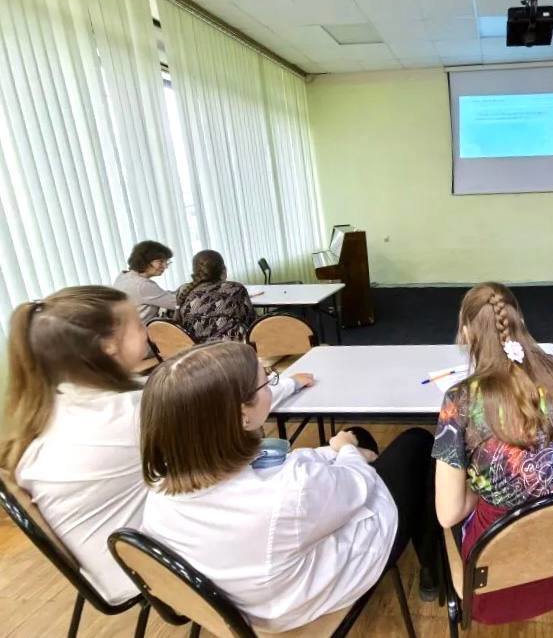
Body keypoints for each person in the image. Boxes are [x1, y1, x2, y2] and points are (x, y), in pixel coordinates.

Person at [0, 286, 312, 605]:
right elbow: (235, 408)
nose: (147, 330)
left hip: (105, 560)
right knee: (285, 495)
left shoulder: (55, 403)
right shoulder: (128, 415)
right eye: (138, 324)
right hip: (146, 568)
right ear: (108, 345)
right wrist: (288, 383)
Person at [140, 341, 438, 633]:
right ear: (242, 414)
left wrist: (333, 451)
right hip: (296, 606)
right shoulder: (291, 488)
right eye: (266, 382)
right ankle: (431, 569)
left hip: (243, 604)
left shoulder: (159, 493)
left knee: (357, 437)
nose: (272, 386)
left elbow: (289, 474)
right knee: (415, 442)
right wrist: (347, 450)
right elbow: (359, 486)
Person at [432, 282, 553, 625]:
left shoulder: (460, 400)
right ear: (519, 322)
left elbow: (448, 515)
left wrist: (478, 485)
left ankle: (429, 580)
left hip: (495, 588)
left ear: (466, 333)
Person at [175, 250, 256, 342]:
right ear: (223, 269)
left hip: (196, 348)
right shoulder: (235, 288)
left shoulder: (183, 289)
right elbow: (251, 321)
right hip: (230, 347)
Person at [113, 240, 177, 323]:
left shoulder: (124, 276)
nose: (165, 266)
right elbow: (177, 304)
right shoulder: (142, 285)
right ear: (145, 261)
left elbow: (159, 295)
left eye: (166, 262)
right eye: (160, 261)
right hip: (141, 329)